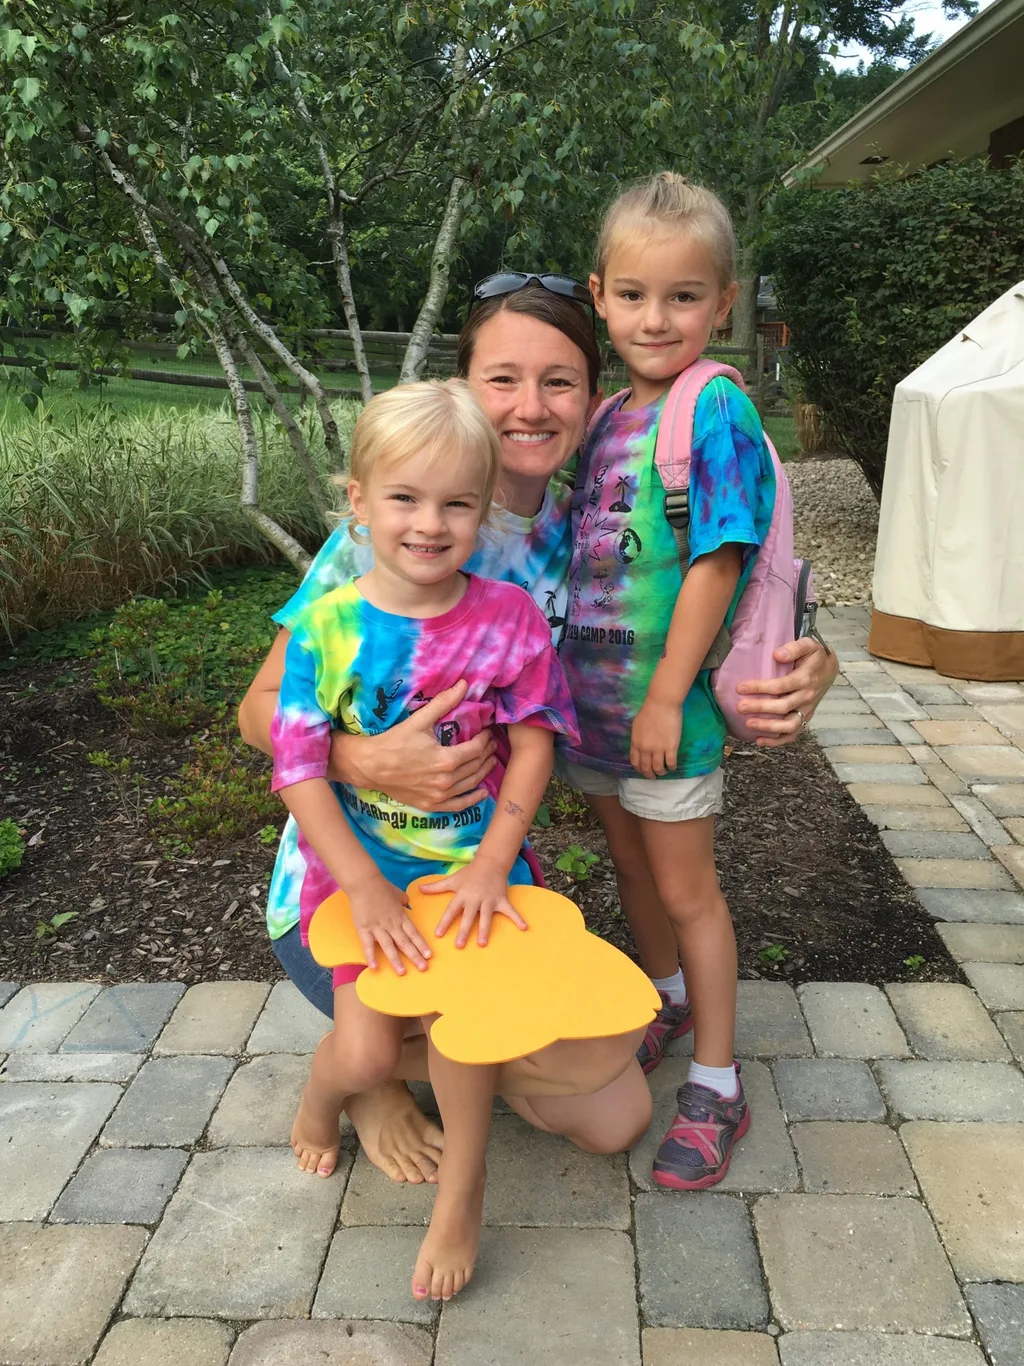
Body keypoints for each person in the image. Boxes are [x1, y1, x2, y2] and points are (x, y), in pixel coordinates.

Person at [238, 274, 839, 1186]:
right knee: (425, 1045)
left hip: (478, 878)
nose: (530, 407)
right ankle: (366, 1077)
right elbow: (260, 714)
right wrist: (366, 759)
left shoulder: (588, 530)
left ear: (592, 399)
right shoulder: (398, 530)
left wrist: (811, 655)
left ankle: (413, 1054)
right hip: (345, 888)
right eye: (503, 379)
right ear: (467, 389)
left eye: (559, 381)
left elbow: (714, 586)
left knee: (611, 1118)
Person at [271, 379, 579, 1300]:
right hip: (363, 875)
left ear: (486, 513)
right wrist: (362, 886)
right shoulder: (325, 627)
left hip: (473, 871)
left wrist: (494, 863)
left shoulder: (510, 620)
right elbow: (298, 770)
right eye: (404, 498)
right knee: (364, 1054)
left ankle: (464, 1193)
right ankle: (323, 1101)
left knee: (471, 1021)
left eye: (457, 503)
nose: (430, 523)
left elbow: (534, 745)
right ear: (358, 502)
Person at [556, 171, 793, 1190]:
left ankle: (717, 1081)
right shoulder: (607, 413)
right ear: (601, 294)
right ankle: (664, 1000)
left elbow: (719, 556)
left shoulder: (715, 408)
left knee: (688, 888)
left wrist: (663, 696)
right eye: (636, 295)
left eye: (685, 296)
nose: (658, 318)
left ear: (723, 302)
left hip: (671, 716)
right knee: (630, 868)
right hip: (593, 714)